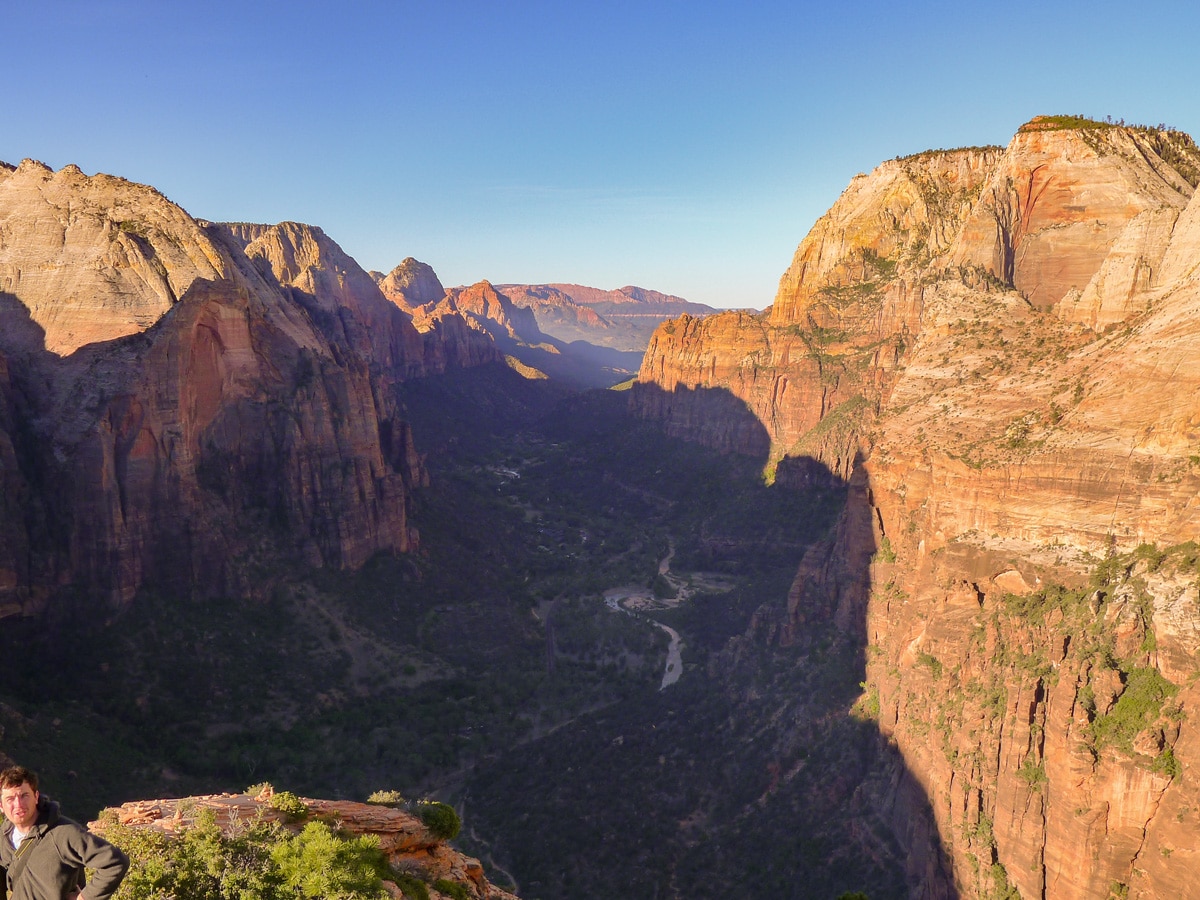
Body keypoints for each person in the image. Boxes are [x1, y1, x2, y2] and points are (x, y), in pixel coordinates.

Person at [0, 766, 128, 900]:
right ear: (1, 806)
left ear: (36, 797)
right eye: (10, 799)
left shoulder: (63, 833)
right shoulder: (4, 836)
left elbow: (116, 861)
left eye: (24, 796)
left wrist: (84, 897)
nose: (18, 804)